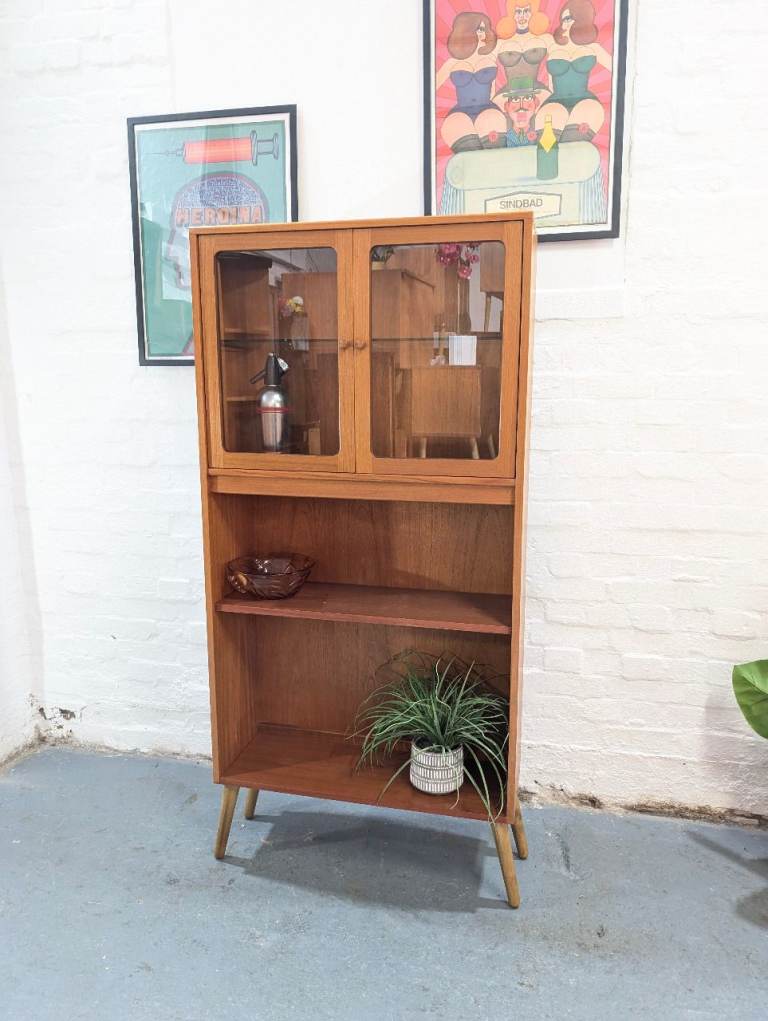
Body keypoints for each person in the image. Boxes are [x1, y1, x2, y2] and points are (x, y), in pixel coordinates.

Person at [537, 0, 612, 142]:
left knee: (574, 145)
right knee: (547, 146)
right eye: (563, 19)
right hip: (555, 102)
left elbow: (618, 73)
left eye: (568, 18)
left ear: (581, 18)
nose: (563, 23)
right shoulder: (552, 44)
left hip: (585, 101)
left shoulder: (593, 48)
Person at [436, 12, 508, 151]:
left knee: (495, 153)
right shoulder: (452, 63)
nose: (482, 33)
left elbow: (507, 40)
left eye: (483, 29)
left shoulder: (490, 57)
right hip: (460, 113)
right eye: (478, 29)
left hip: (489, 111)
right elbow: (430, 89)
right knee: (468, 154)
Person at [494, 0, 555, 111]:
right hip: (509, 92)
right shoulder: (501, 43)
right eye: (518, 12)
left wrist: (553, 94)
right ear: (512, 13)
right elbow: (490, 72)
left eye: (526, 10)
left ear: (534, 12)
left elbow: (553, 68)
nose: (522, 16)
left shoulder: (545, 39)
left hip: (537, 90)